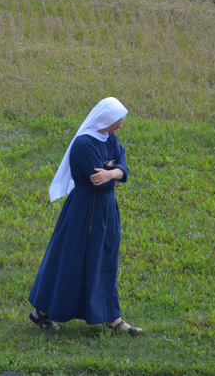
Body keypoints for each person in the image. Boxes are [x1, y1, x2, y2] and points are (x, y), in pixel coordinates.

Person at [28, 97, 143, 335]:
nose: (120, 126)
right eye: (118, 121)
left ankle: (112, 317)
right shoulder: (84, 145)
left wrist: (112, 173)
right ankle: (42, 312)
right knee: (70, 261)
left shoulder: (111, 139)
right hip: (83, 212)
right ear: (105, 119)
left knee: (105, 259)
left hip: (106, 210)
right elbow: (99, 183)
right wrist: (114, 175)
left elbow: (123, 169)